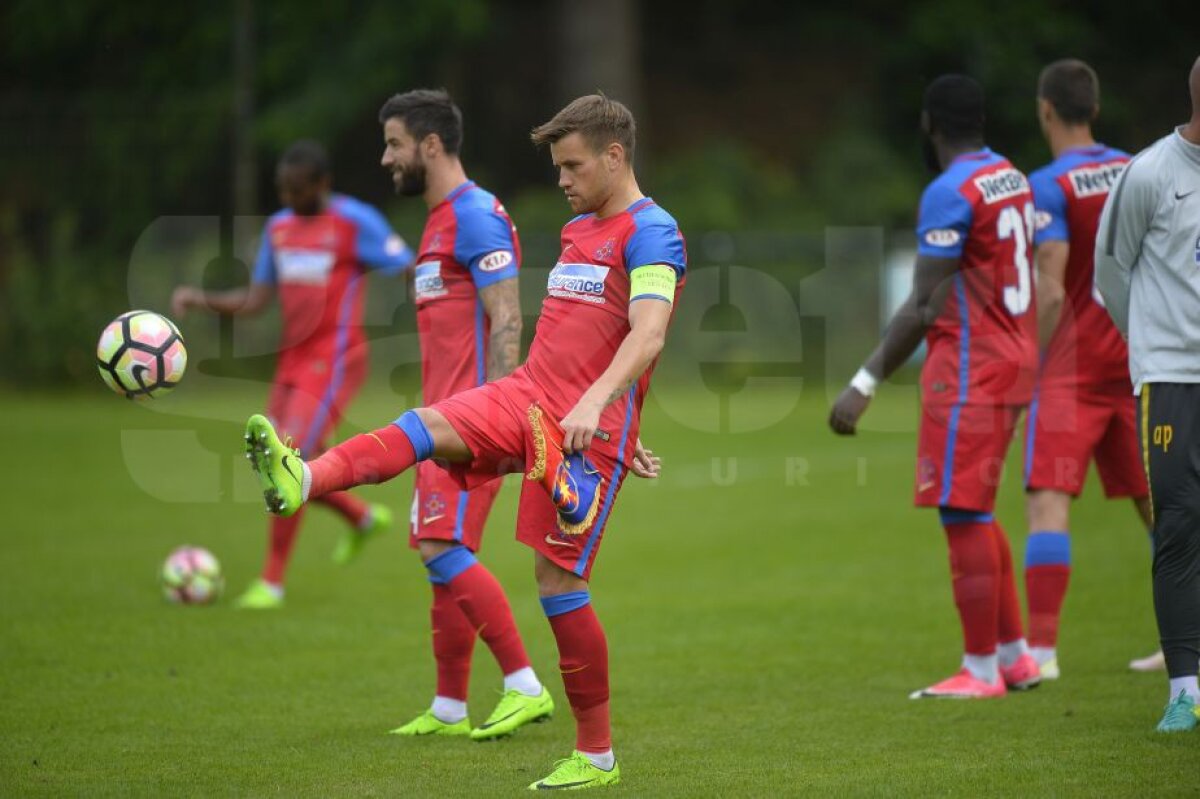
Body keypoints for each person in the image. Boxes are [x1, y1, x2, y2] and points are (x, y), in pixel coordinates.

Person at [242, 94, 678, 790]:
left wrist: (607, 413)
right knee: (422, 427)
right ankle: (305, 476)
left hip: (579, 436)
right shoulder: (576, 231)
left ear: (615, 155)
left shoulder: (654, 232)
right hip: (527, 398)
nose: (561, 179)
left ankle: (596, 755)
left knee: (557, 581)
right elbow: (578, 343)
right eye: (557, 165)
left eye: (572, 165)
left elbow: (647, 332)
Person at [829, 75, 1042, 699]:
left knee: (960, 509)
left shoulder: (950, 191)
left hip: (973, 365)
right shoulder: (1011, 174)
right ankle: (1014, 655)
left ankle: (979, 671)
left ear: (930, 124)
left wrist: (864, 381)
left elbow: (924, 303)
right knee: (976, 506)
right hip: (1017, 354)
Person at [373, 89, 551, 741]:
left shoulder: (475, 216)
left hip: (467, 425)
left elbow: (507, 315)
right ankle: (450, 706)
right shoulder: (440, 218)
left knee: (438, 545)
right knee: (441, 555)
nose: (385, 156)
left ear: (429, 145)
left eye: (394, 143)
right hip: (443, 421)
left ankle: (523, 684)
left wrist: (497, 412)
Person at [172, 140, 413, 608]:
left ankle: (272, 582)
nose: (289, 199)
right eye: (283, 190)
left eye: (298, 189)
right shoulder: (279, 229)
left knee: (280, 456)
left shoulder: (354, 221)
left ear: (323, 185)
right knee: (278, 460)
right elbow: (256, 300)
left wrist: (438, 311)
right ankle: (361, 518)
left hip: (336, 358)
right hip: (293, 361)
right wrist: (201, 299)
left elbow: (409, 267)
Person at [1022, 59, 1158, 679]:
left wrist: (1032, 363)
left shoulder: (1049, 184)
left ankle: (1043, 651)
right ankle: (1187, 638)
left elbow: (1049, 288)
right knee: (1161, 504)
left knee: (1048, 500)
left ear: (1046, 110)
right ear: (1095, 109)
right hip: (1139, 359)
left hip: (1071, 370)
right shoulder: (1137, 168)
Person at [1095, 55, 1200, 732]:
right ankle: (1185, 690)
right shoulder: (1151, 173)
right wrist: (1159, 342)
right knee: (1181, 524)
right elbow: (1111, 273)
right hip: (1172, 382)